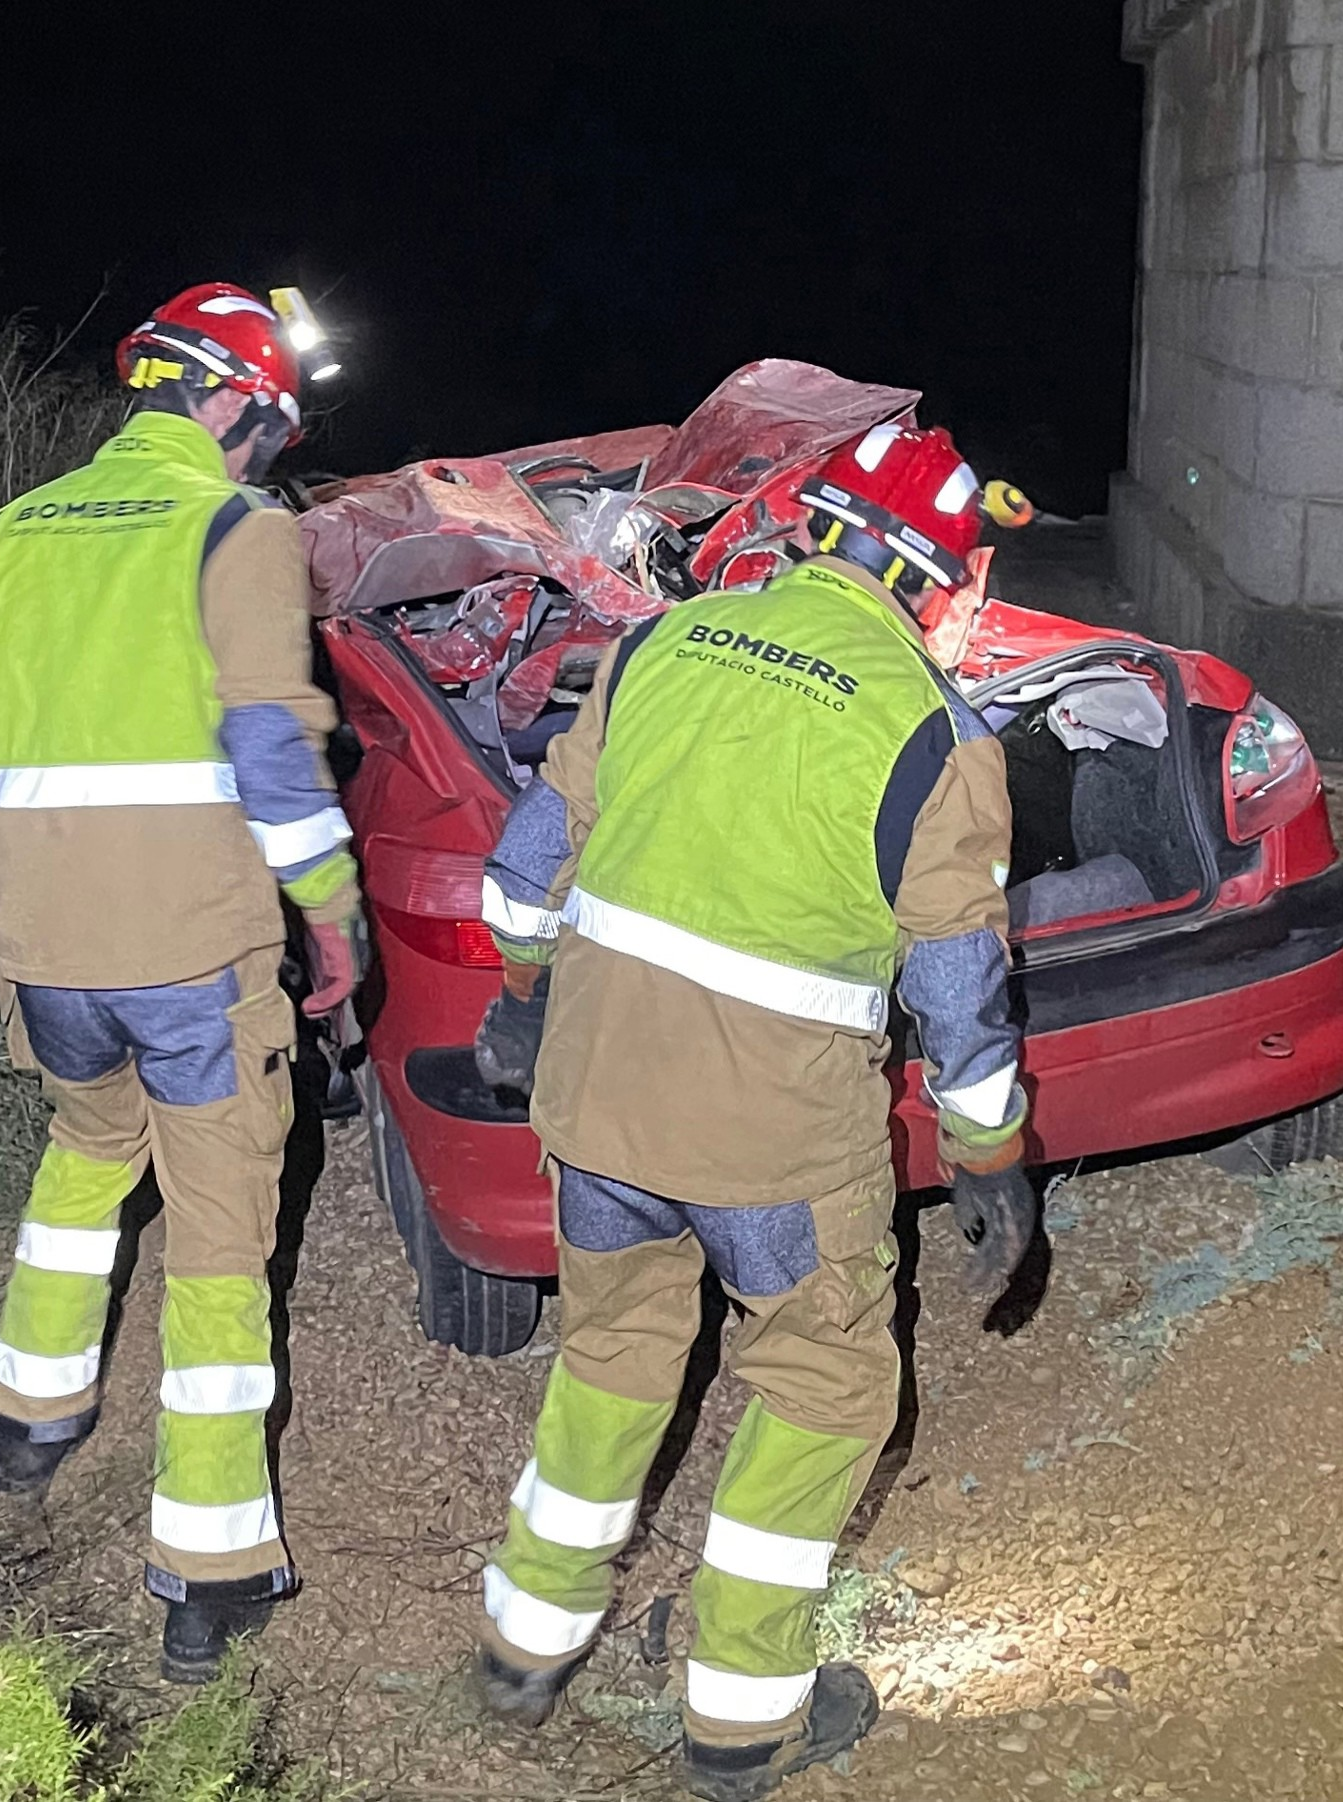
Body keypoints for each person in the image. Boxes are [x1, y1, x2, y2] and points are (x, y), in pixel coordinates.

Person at [464, 420, 1036, 1801]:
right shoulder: (937, 735)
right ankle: (739, 1716)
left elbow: (520, 872)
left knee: (610, 1352)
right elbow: (959, 1004)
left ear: (815, 536)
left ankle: (524, 1649)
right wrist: (993, 1158)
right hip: (772, 1145)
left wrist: (529, 991)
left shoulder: (662, 646)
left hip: (597, 1106)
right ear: (937, 583)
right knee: (829, 1387)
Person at [0, 282, 366, 1680]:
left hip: (46, 958)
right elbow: (275, 752)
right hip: (195, 956)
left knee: (88, 1153)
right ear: (230, 404)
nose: (268, 451)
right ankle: (209, 1570)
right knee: (219, 1234)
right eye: (269, 425)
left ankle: (26, 1421)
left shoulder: (7, 531)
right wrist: (334, 916)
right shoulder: (237, 529)